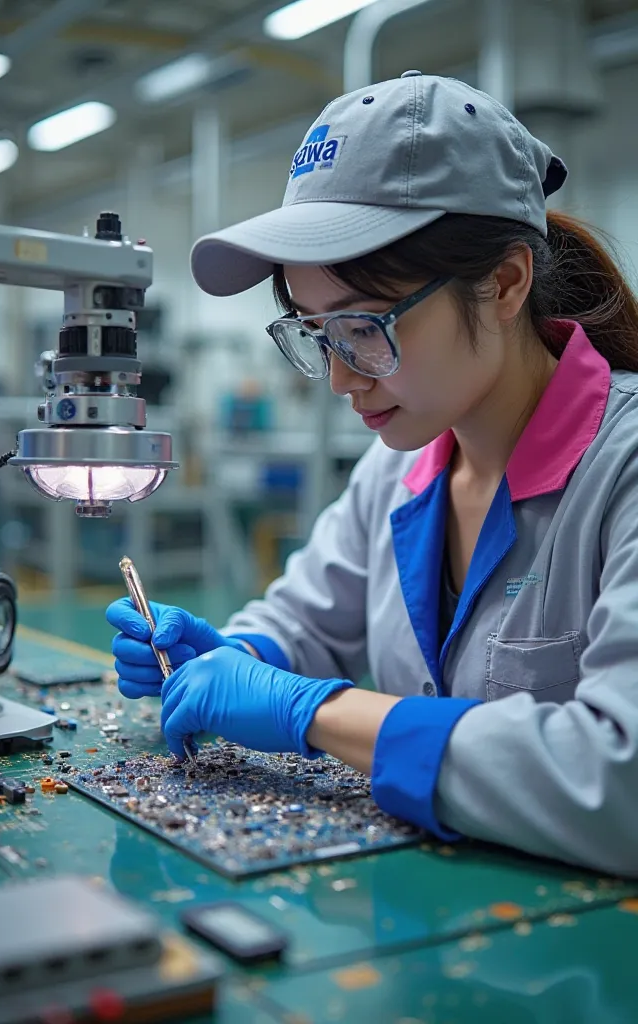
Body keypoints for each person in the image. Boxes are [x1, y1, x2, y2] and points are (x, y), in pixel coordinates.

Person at [107, 72, 638, 877]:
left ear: (504, 283)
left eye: (364, 327)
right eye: (316, 332)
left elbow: (620, 781)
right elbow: (309, 623)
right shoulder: (397, 472)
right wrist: (240, 656)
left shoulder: (622, 468)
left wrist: (316, 711)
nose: (341, 378)